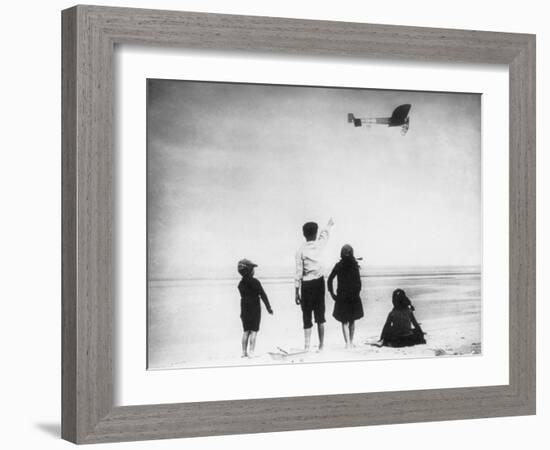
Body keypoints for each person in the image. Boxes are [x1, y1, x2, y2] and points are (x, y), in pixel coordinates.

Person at [295, 217, 334, 351]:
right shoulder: (319, 244)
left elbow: (298, 273)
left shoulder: (300, 250)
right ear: (315, 233)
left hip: (306, 285)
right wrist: (329, 225)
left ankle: (307, 347)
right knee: (320, 315)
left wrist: (296, 292)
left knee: (306, 315)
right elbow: (325, 235)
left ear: (303, 234)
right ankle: (321, 346)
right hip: (318, 284)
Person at [327, 244, 364, 348]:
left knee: (344, 321)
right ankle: (350, 342)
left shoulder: (339, 265)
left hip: (342, 296)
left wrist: (332, 294)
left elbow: (329, 280)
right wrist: (357, 293)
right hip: (353, 296)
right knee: (352, 320)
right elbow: (359, 282)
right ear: (352, 253)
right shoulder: (355, 265)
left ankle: (347, 343)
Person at [237, 259, 273, 357]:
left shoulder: (240, 284)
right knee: (254, 331)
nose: (254, 270)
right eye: (252, 269)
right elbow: (263, 295)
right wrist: (268, 308)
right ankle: (251, 352)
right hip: (255, 309)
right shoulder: (255, 282)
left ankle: (243, 352)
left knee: (246, 331)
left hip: (244, 308)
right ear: (249, 270)